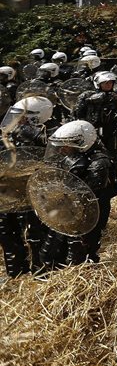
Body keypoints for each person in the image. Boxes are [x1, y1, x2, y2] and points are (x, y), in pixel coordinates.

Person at [40, 120, 116, 268]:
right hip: (66, 208)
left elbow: (87, 191)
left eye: (67, 146)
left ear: (82, 142)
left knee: (79, 253)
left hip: (89, 211)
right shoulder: (74, 155)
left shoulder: (99, 162)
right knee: (50, 251)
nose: (62, 150)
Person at [0, 96, 54, 277]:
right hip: (7, 190)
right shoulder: (7, 133)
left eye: (21, 116)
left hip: (33, 192)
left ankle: (40, 271)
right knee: (7, 232)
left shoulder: (51, 133)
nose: (16, 120)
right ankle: (15, 273)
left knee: (36, 233)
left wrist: (37, 137)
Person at [74, 70, 117, 191]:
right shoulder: (86, 96)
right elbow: (77, 113)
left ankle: (114, 180)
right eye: (105, 83)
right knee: (93, 156)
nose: (108, 85)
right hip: (91, 131)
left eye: (110, 82)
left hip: (111, 132)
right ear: (98, 84)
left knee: (114, 157)